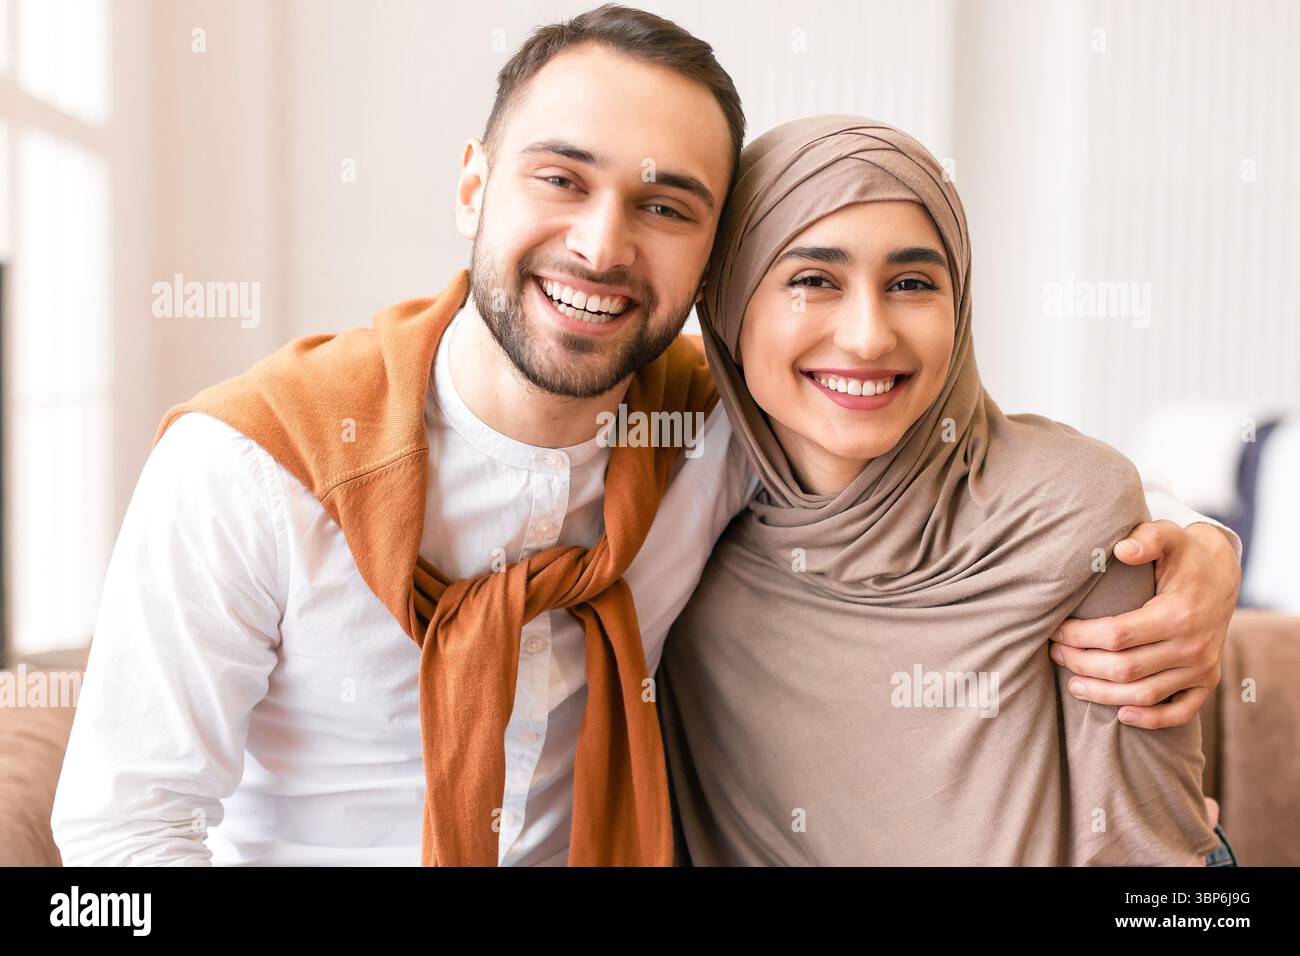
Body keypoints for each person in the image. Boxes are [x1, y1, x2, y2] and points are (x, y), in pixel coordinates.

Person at [52, 6, 1239, 867]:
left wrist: (1198, 541)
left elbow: (932, 440)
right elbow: (116, 838)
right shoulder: (249, 467)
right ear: (473, 186)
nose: (604, 245)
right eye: (560, 180)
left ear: (713, 259)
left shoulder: (717, 428)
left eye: (667, 206)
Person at [657, 116, 1227, 865]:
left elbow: (1156, 870)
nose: (867, 336)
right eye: (812, 280)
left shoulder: (1074, 509)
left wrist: (1212, 540)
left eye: (911, 284)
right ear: (728, 301)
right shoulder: (675, 512)